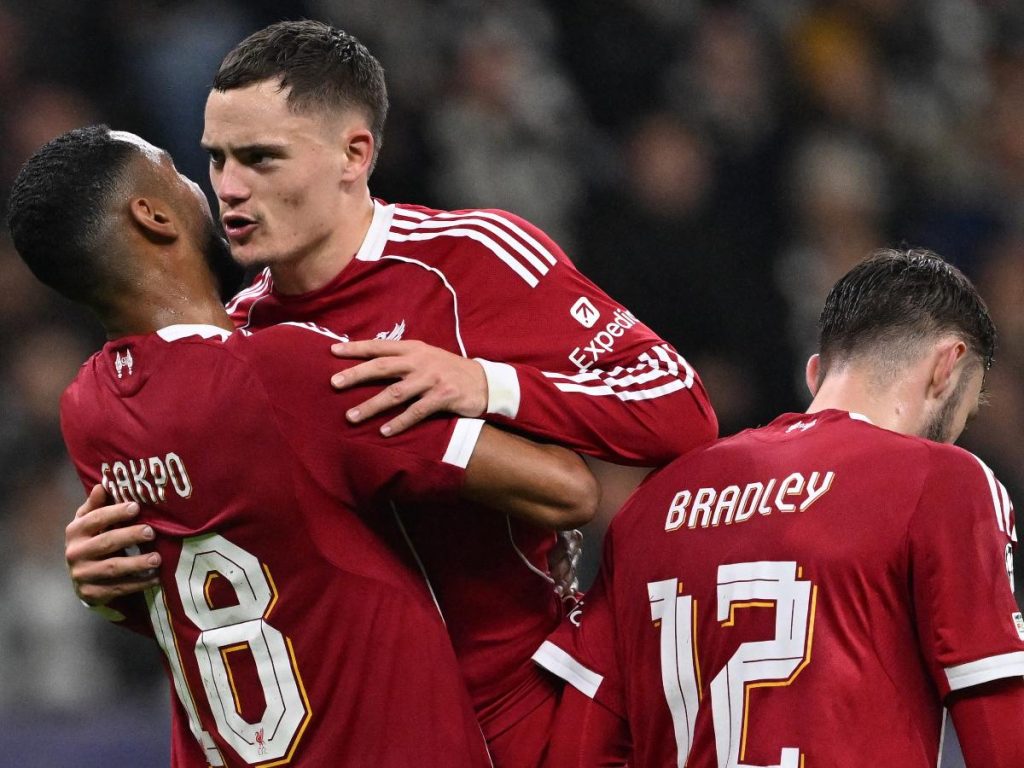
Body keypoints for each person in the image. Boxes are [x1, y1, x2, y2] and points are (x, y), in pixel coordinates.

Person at [66, 20, 719, 763]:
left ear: (355, 155)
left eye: (261, 158)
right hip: (376, 737)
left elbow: (681, 410)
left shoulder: (469, 260)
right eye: (215, 158)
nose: (230, 189)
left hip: (527, 709)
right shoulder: (237, 342)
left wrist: (486, 383)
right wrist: (114, 584)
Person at [8, 125, 600, 767]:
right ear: (152, 215)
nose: (213, 188)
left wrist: (108, 595)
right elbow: (567, 491)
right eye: (179, 171)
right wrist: (474, 381)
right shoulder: (284, 373)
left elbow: (226, 578)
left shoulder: (87, 411)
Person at [534, 249, 1024, 767]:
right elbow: (1002, 734)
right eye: (963, 416)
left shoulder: (648, 506)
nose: (953, 437)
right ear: (947, 367)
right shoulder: (941, 480)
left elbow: (577, 750)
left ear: (816, 375)